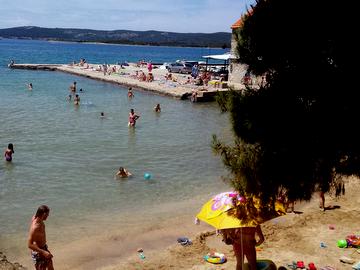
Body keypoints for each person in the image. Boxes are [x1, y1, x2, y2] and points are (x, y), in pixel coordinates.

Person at [28, 205, 54, 270]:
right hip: (38, 251)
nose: (48, 216)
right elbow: (29, 245)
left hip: (44, 247)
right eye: (47, 214)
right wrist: (43, 252)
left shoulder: (38, 218)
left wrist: (45, 251)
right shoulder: (35, 227)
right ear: (44, 214)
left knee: (50, 266)